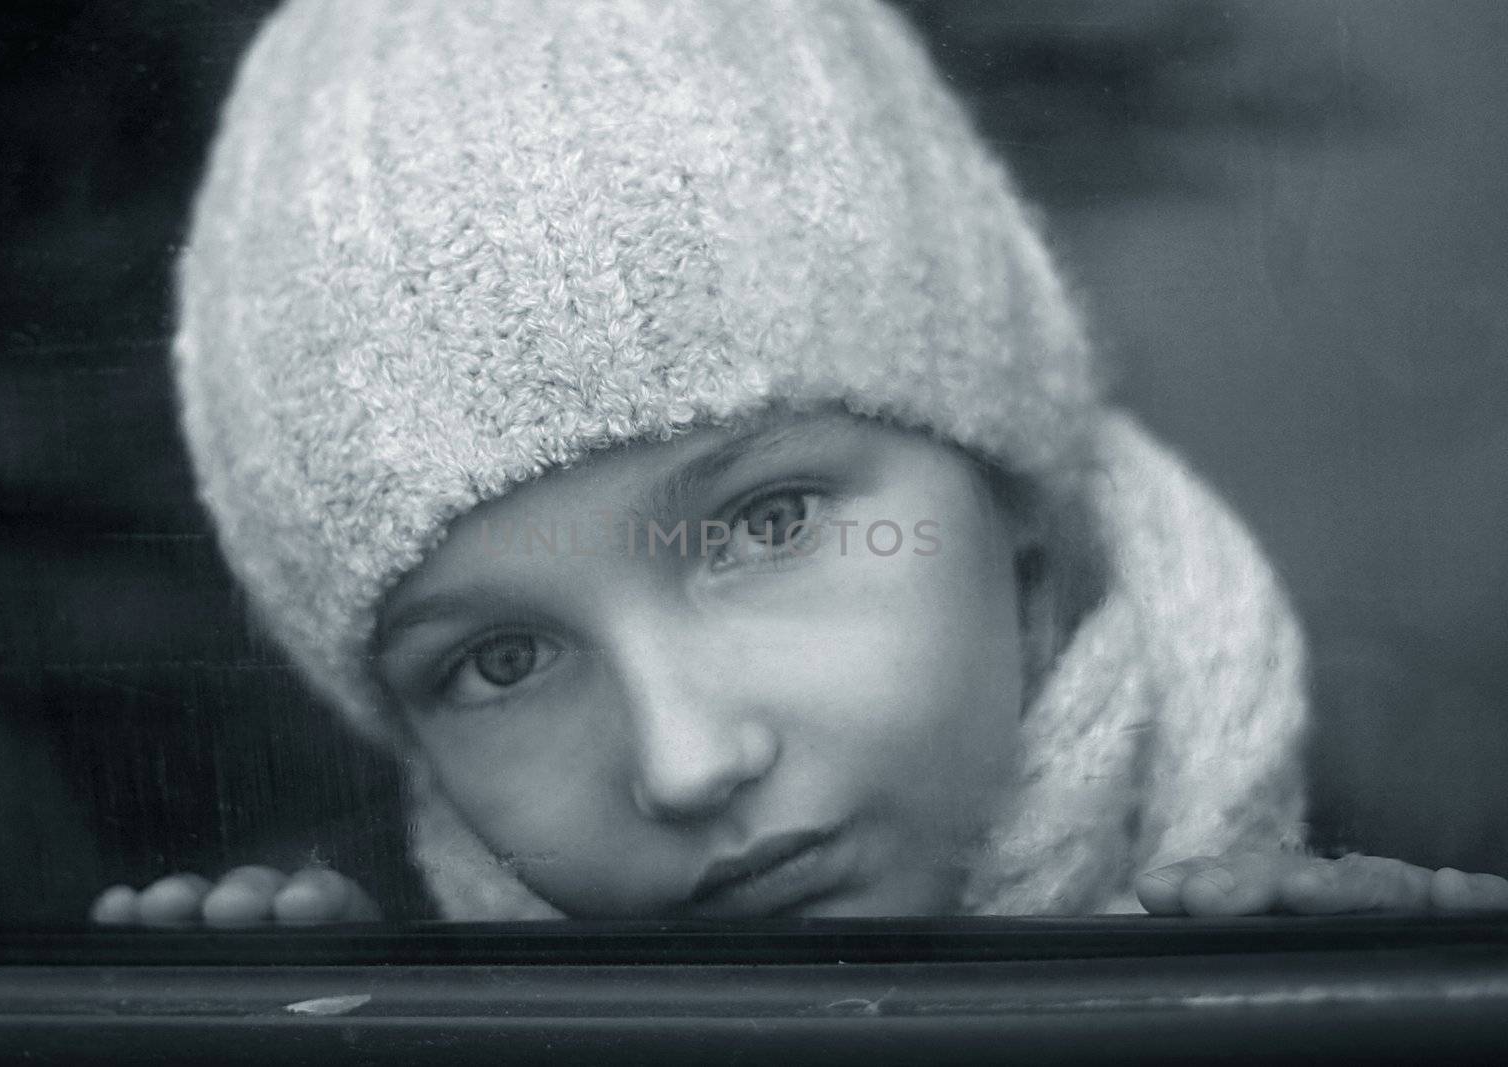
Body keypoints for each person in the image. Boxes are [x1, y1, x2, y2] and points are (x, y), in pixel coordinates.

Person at [94, 0, 1507, 926]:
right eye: (499, 662)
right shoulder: (384, 999)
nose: (689, 760)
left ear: (1012, 512)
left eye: (766, 522)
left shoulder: (1361, 904)